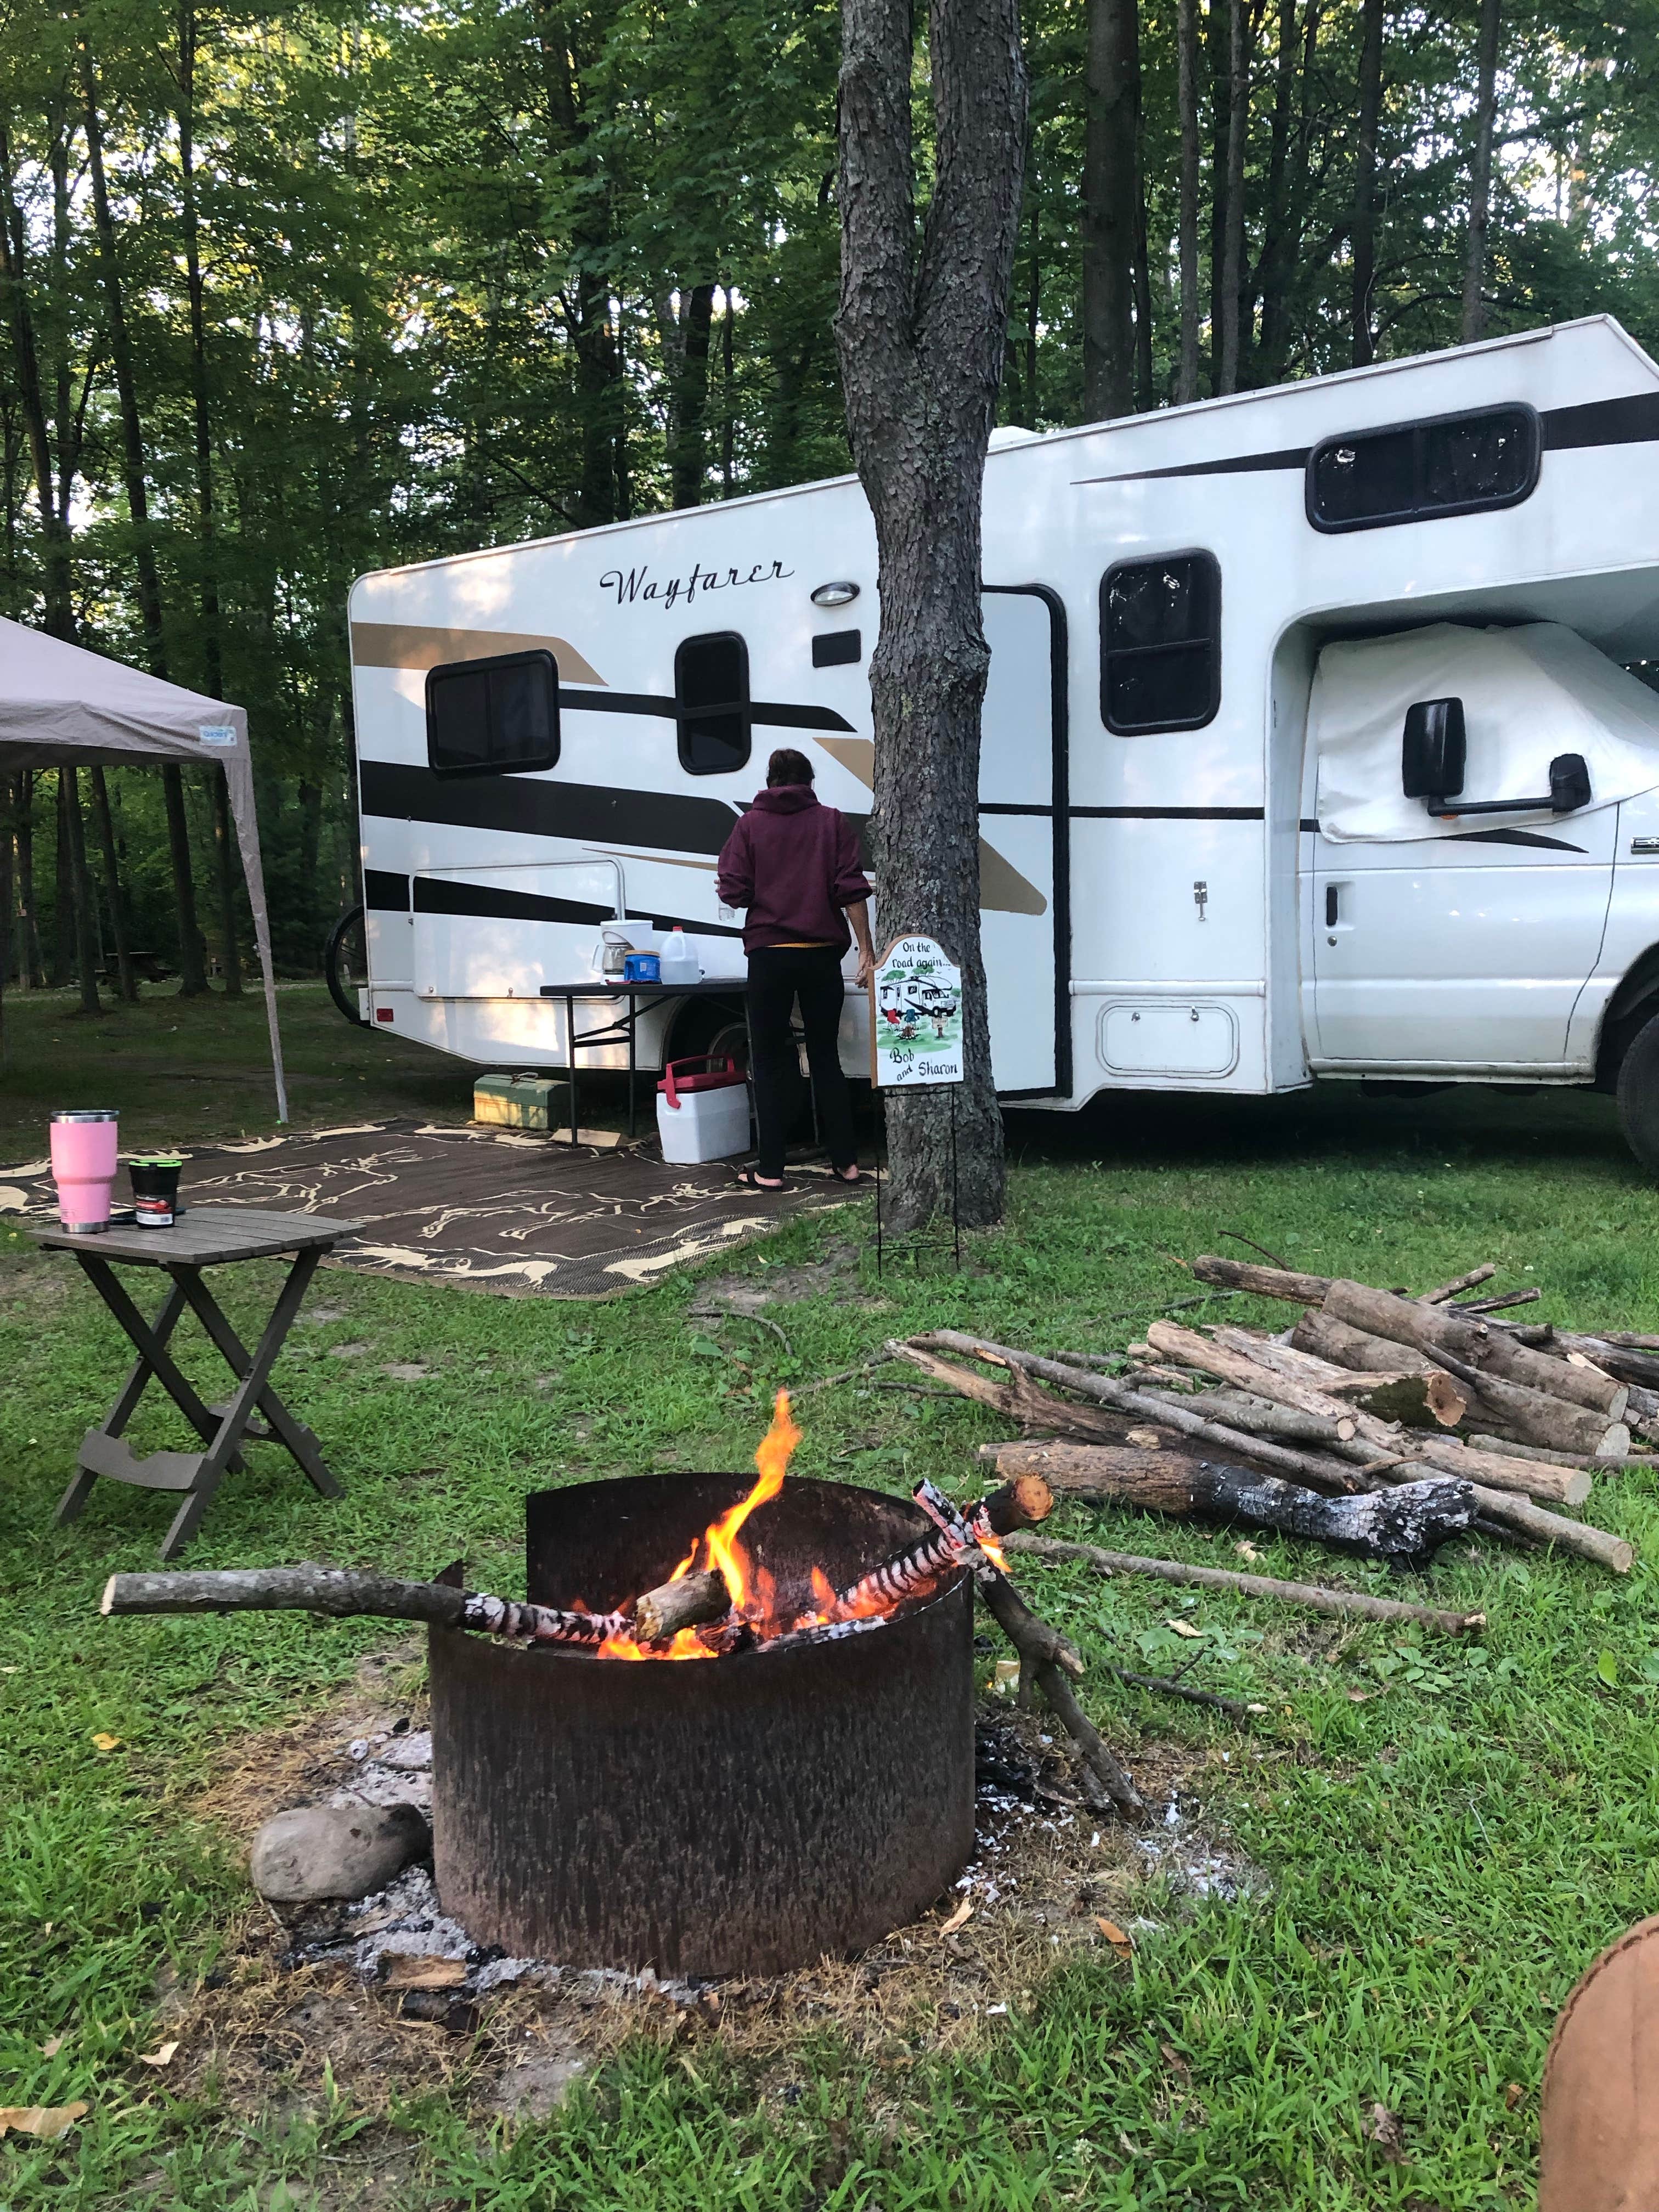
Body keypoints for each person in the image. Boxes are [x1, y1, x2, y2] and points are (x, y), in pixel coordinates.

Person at [715, 747, 874, 1190]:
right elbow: (851, 890)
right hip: (822, 954)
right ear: (809, 782)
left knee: (767, 1060)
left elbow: (733, 891)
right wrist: (865, 951)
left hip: (770, 955)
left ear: (770, 781)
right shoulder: (831, 821)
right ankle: (846, 1164)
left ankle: (770, 1169)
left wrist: (742, 889)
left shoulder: (749, 825)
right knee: (826, 1057)